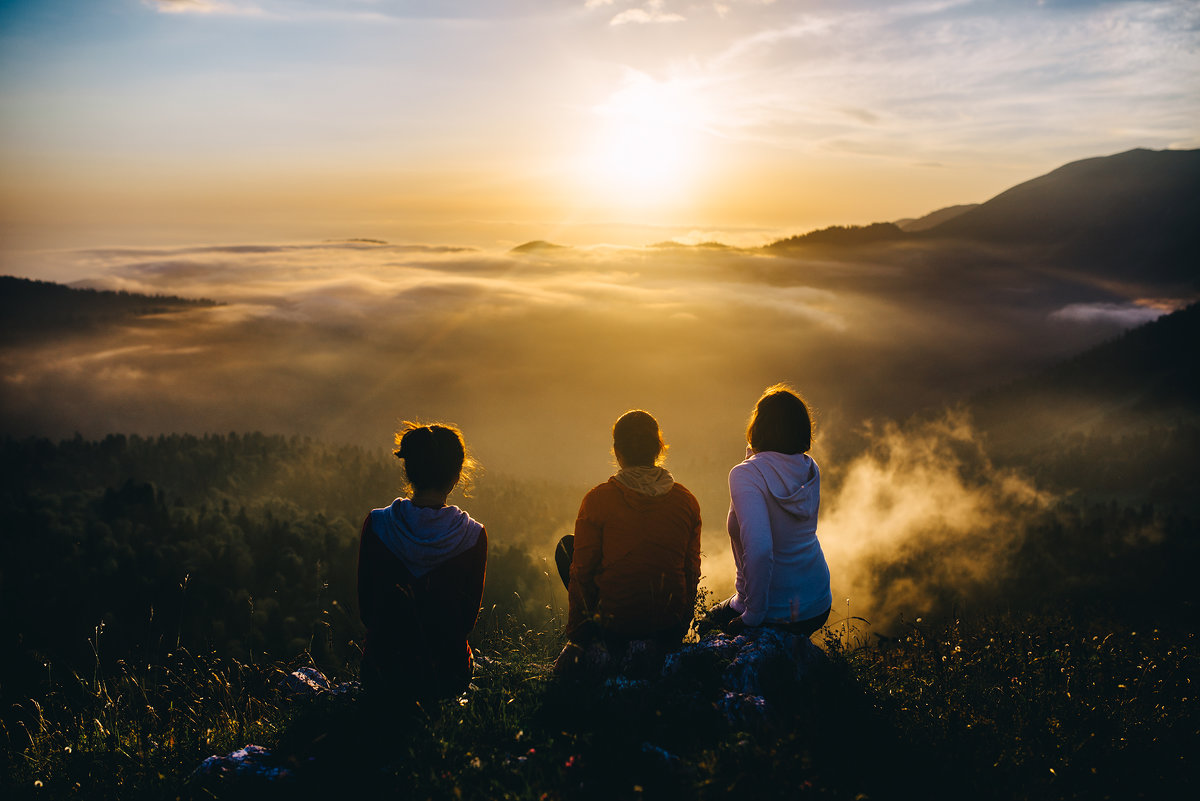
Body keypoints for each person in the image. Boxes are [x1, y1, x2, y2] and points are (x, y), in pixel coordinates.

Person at [555, 410, 702, 672]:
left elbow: (582, 571)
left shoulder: (598, 500)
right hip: (668, 627)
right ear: (658, 448)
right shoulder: (686, 501)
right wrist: (680, 625)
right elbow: (691, 570)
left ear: (617, 452)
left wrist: (579, 636)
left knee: (567, 548)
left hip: (614, 629)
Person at [357, 422, 487, 705]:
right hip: (447, 676)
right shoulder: (473, 535)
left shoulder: (378, 524)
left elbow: (367, 610)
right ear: (457, 475)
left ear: (408, 470)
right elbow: (466, 621)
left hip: (381, 672)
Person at [703, 385, 832, 638]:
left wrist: (753, 616)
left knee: (707, 627)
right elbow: (773, 474)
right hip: (817, 602)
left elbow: (761, 550)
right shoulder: (809, 468)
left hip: (776, 609)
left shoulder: (745, 474)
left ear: (758, 426)